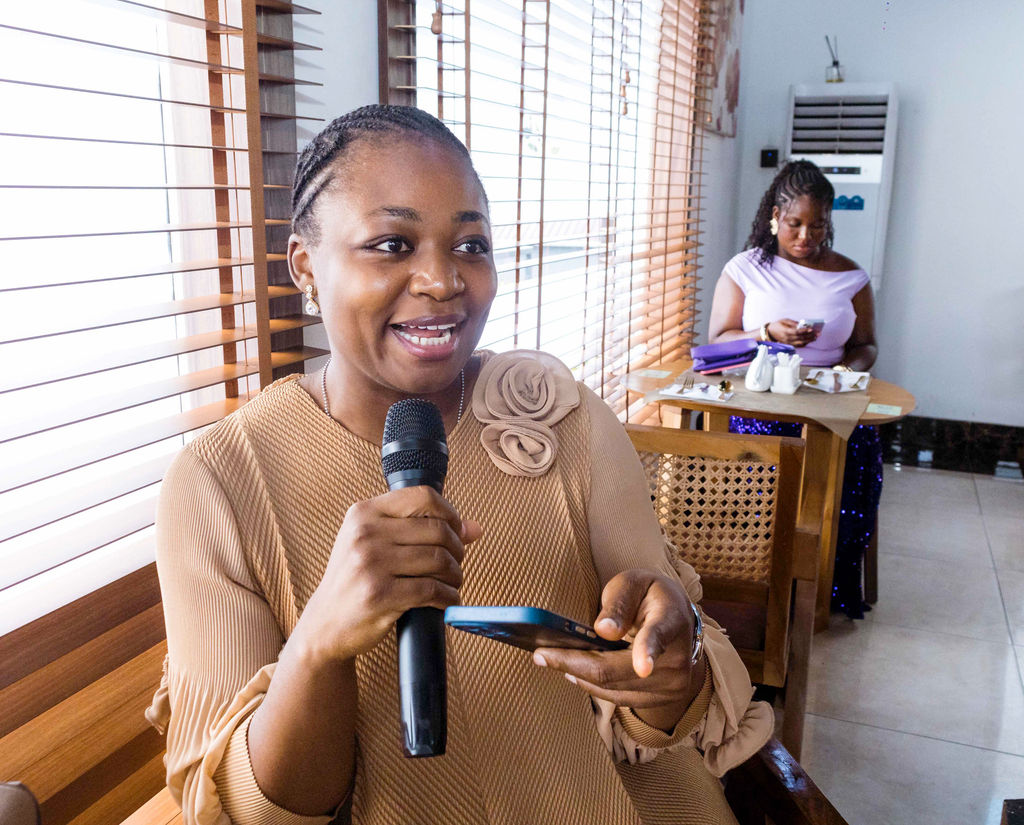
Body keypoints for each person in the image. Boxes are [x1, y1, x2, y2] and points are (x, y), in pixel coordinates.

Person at [146, 104, 772, 825]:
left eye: (471, 244)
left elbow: (673, 700)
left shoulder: (563, 418)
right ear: (305, 267)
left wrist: (670, 665)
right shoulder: (219, 483)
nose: (443, 281)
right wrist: (320, 645)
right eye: (392, 243)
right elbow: (256, 811)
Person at [707, 159, 882, 619]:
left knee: (855, 454)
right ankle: (754, 581)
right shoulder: (746, 268)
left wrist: (843, 370)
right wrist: (766, 333)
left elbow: (867, 345)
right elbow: (718, 339)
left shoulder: (851, 277)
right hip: (760, 402)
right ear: (774, 218)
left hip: (828, 401)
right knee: (756, 477)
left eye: (817, 225)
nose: (806, 236)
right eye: (794, 224)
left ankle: (826, 587)